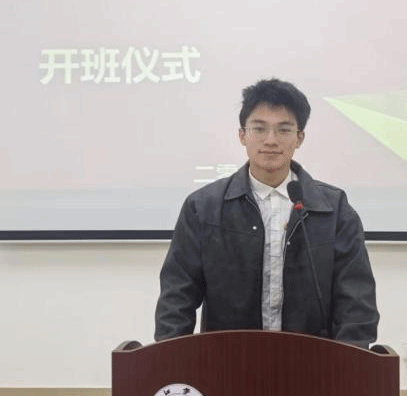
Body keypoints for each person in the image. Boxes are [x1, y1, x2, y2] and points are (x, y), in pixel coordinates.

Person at [154, 77, 379, 348]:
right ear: (242, 135)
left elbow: (356, 300)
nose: (271, 140)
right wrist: (171, 360)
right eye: (259, 129)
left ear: (299, 138)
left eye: (284, 130)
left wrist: (351, 363)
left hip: (314, 362)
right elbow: (177, 296)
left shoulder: (333, 208)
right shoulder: (203, 207)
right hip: (227, 360)